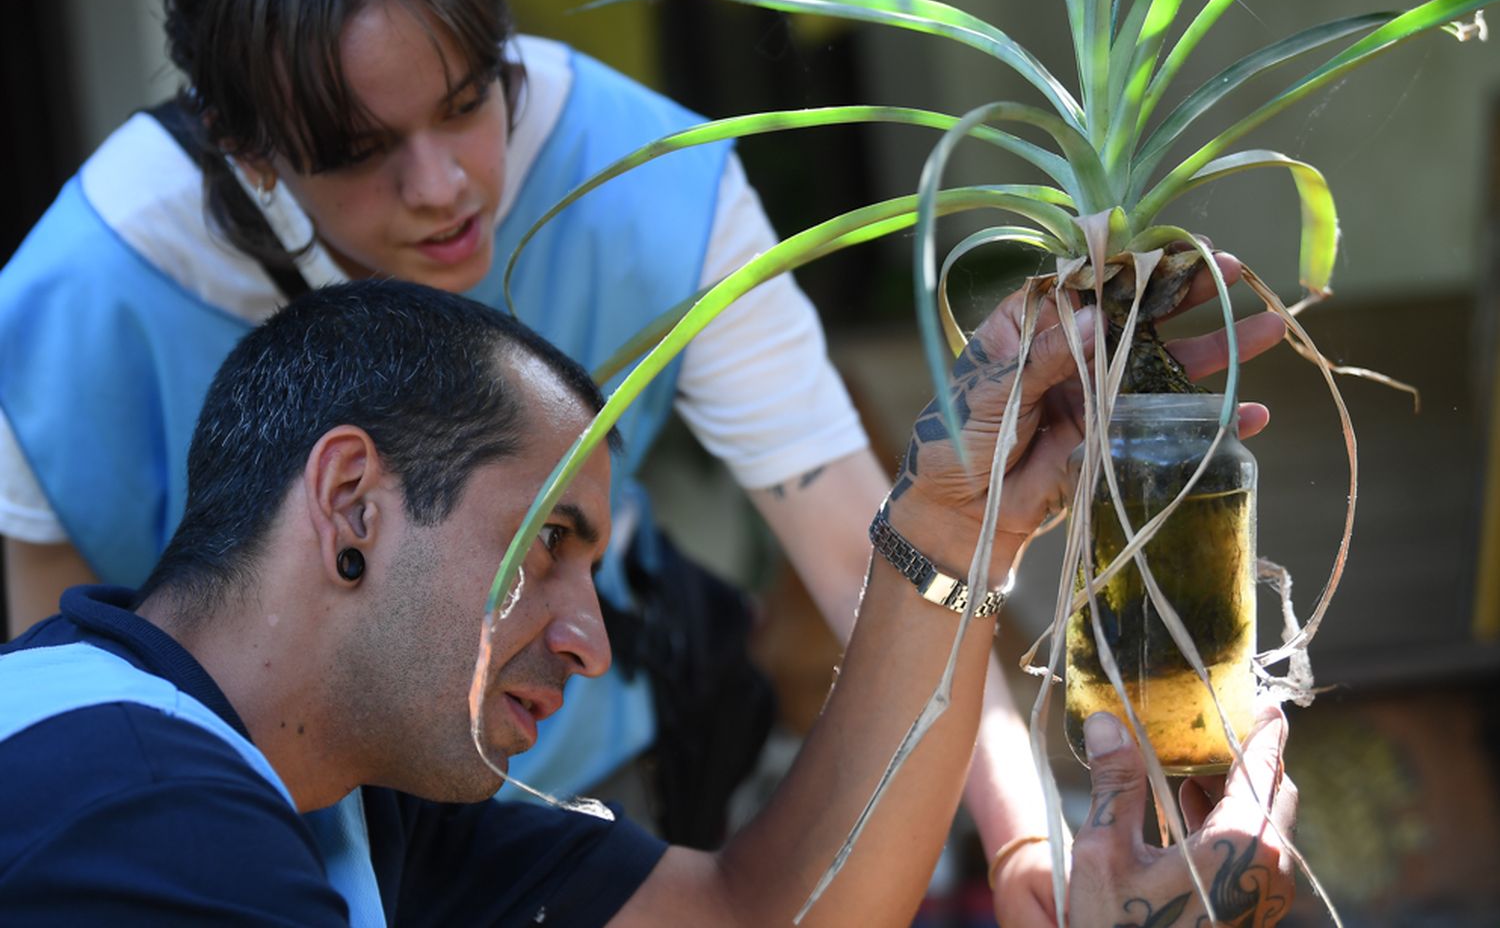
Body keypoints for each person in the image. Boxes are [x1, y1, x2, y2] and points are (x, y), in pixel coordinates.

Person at [0, 0, 1068, 916]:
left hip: (509, 794)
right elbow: (73, 682)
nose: (443, 186)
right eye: (363, 150)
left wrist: (1027, 841)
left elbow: (855, 557)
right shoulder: (78, 302)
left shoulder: (649, 179)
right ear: (249, 147)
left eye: (470, 101)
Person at [0, 278, 1297, 926]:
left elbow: (755, 914)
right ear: (351, 505)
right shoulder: (131, 819)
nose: (594, 638)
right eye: (549, 543)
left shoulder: (353, 792)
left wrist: (958, 525)